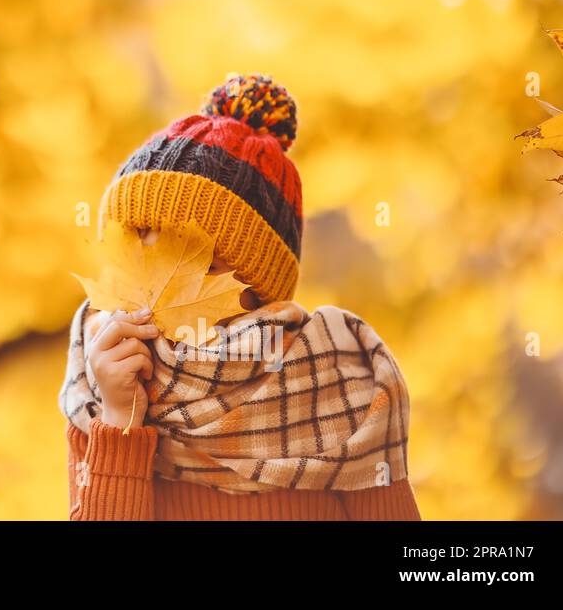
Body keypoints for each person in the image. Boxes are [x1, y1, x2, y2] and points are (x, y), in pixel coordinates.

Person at [59, 75, 421, 520]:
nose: (151, 274)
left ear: (253, 284)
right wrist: (120, 424)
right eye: (138, 239)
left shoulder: (336, 383)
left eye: (188, 252)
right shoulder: (98, 384)